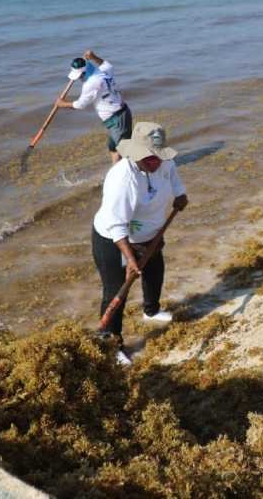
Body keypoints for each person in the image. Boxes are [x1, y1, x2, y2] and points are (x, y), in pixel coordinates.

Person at [92, 121, 188, 364]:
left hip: (151, 234)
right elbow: (116, 225)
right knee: (115, 291)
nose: (156, 161)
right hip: (114, 239)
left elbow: (173, 177)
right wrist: (131, 258)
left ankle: (151, 310)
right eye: (150, 158)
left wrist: (180, 194)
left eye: (158, 156)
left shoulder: (164, 161)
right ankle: (111, 342)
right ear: (135, 154)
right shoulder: (122, 178)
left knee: (155, 271)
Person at [56, 50, 132, 164]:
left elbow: (80, 105)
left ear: (85, 72)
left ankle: (128, 175)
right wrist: (94, 57)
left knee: (122, 151)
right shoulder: (102, 71)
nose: (80, 79)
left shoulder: (91, 84)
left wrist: (62, 104)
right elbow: (107, 65)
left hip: (117, 119)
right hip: (119, 115)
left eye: (81, 75)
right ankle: (115, 171)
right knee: (113, 147)